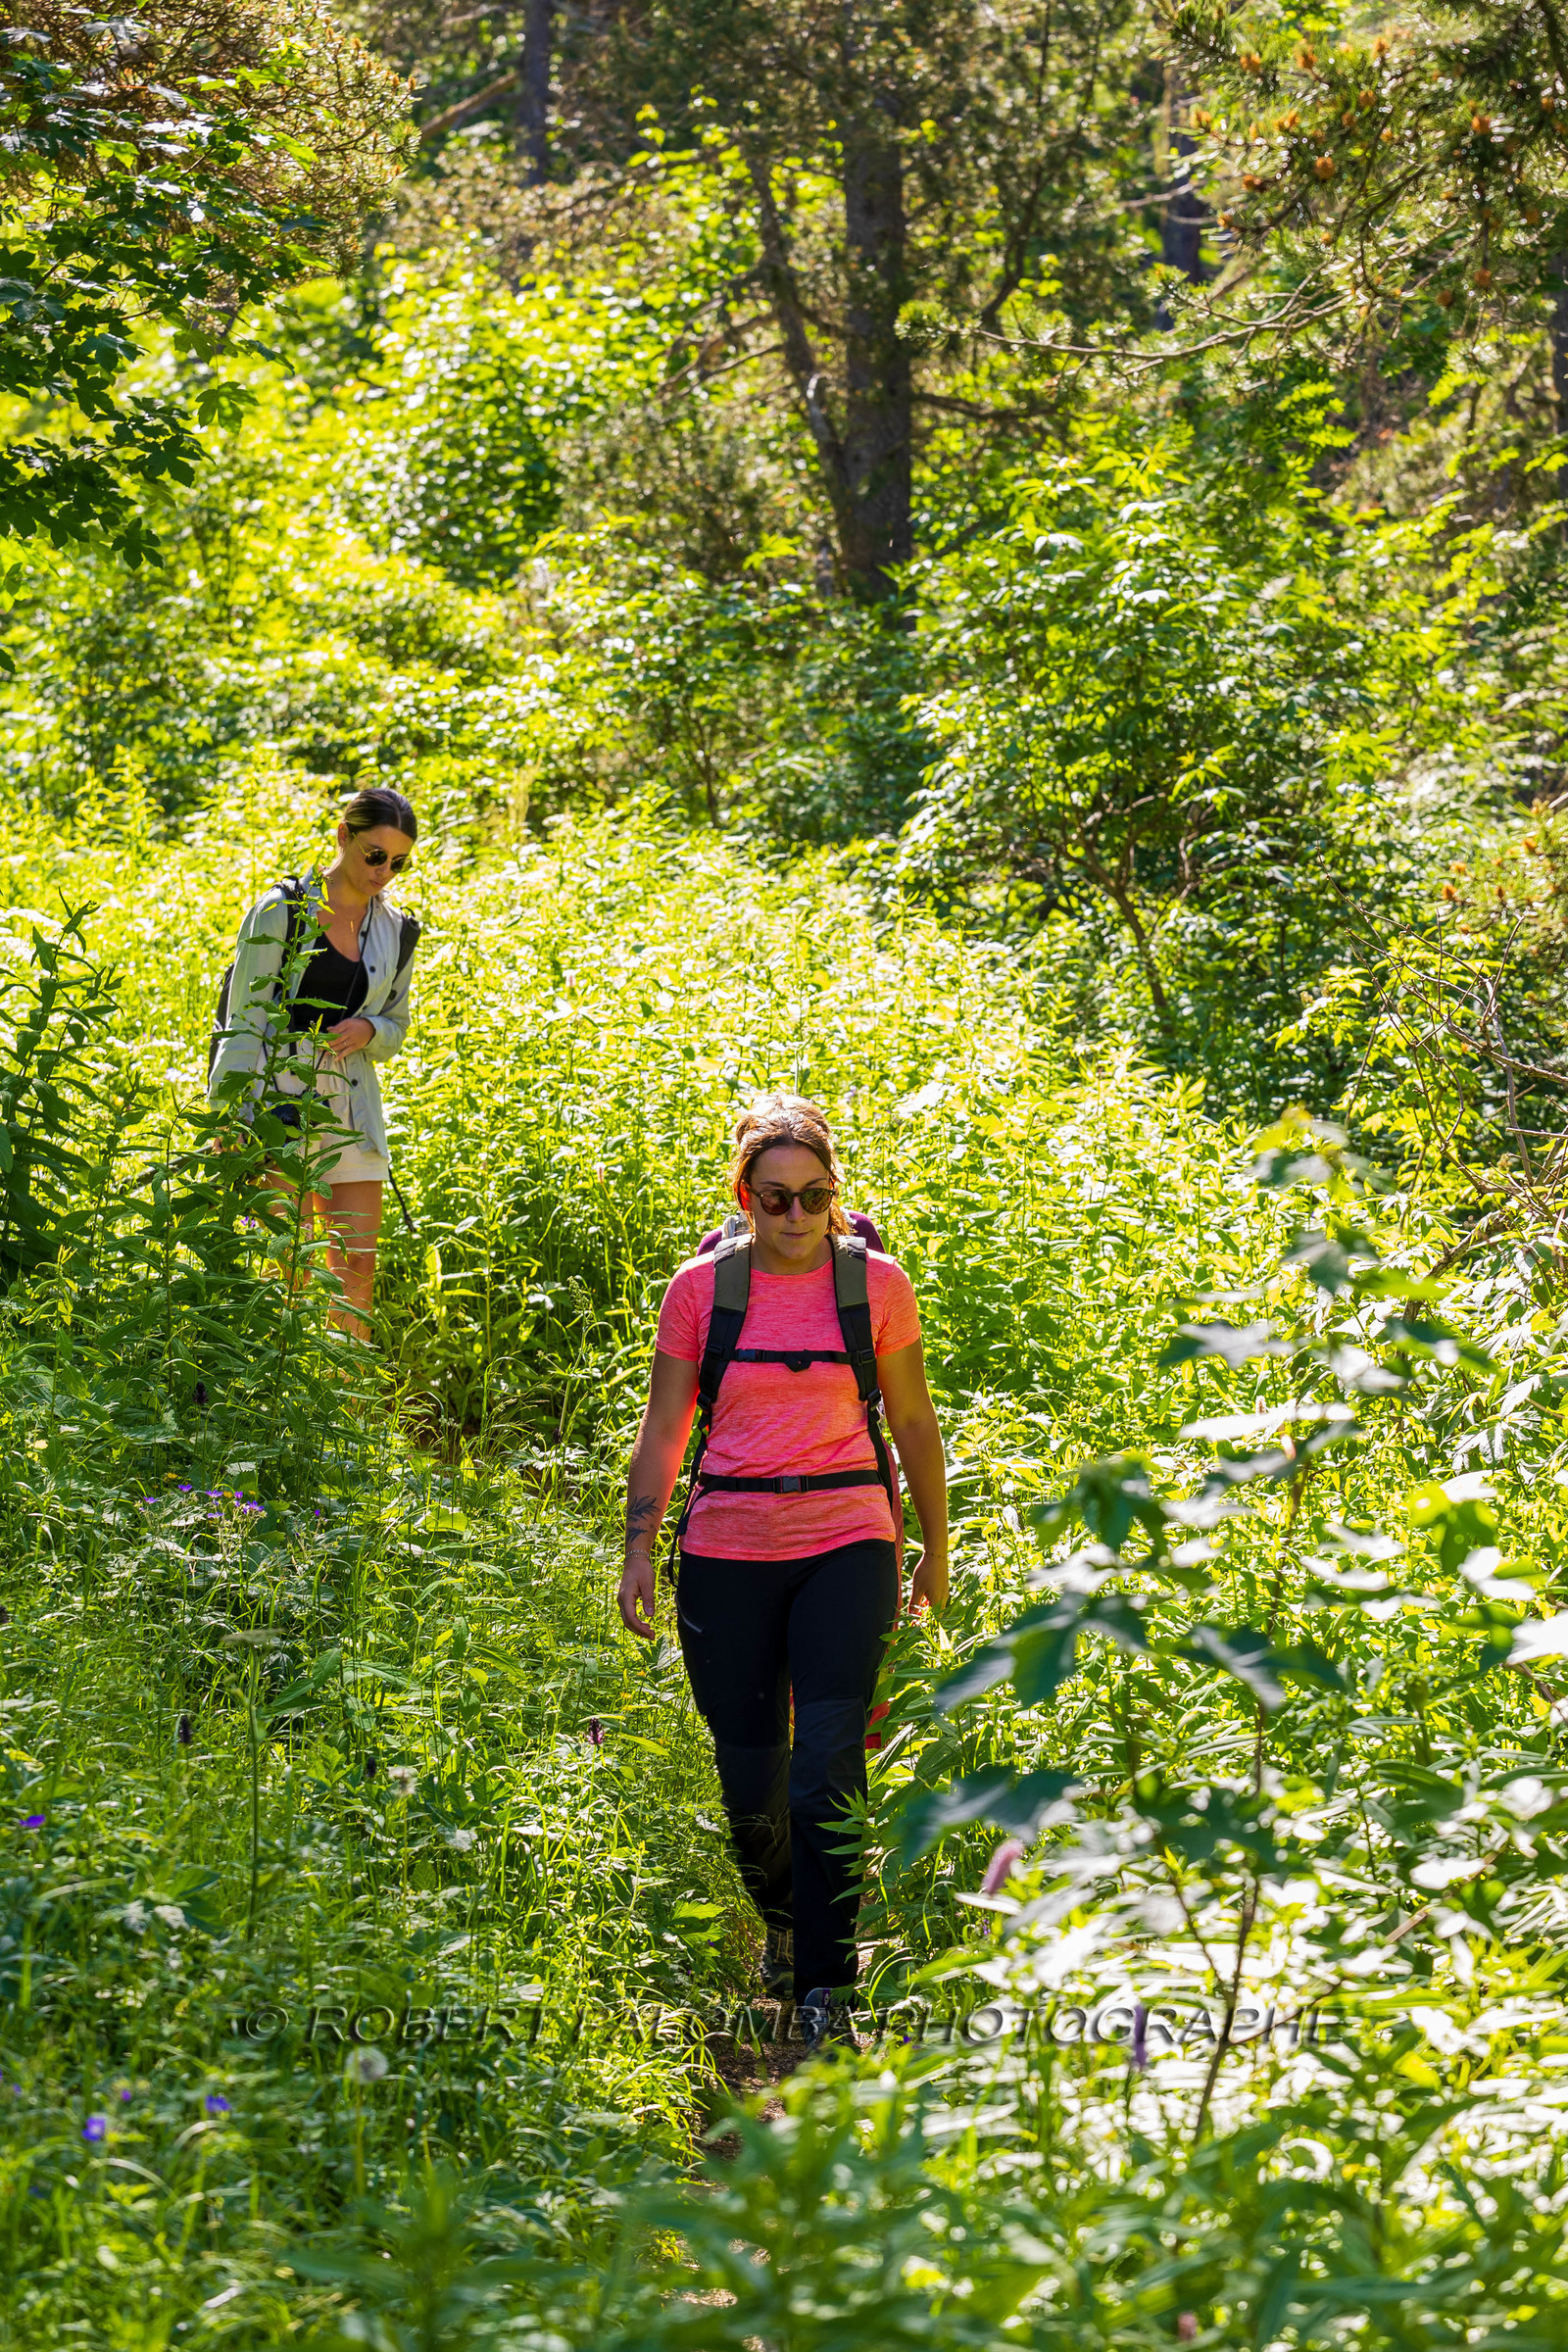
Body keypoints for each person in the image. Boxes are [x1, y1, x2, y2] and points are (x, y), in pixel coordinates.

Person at [618, 1093, 949, 2054]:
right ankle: (783, 1917)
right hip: (726, 1548)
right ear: (745, 1197)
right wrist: (638, 1545)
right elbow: (663, 1431)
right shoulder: (698, 1292)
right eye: (775, 1200)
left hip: (849, 1537)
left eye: (812, 1198)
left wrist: (935, 1546)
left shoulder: (876, 1286)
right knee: (748, 1776)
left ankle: (824, 1985)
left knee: (828, 1762)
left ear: (835, 1196)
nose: (795, 1218)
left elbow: (915, 1425)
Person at [208, 787, 419, 1339]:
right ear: (343, 836)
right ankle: (287, 1414)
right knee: (291, 1273)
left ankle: (348, 1413)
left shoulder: (398, 929)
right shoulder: (281, 910)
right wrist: (229, 1115)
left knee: (356, 1276)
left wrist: (370, 1028)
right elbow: (244, 1018)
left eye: (398, 862)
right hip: (277, 1097)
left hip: (351, 1104)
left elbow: (397, 1022)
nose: (384, 873)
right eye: (375, 855)